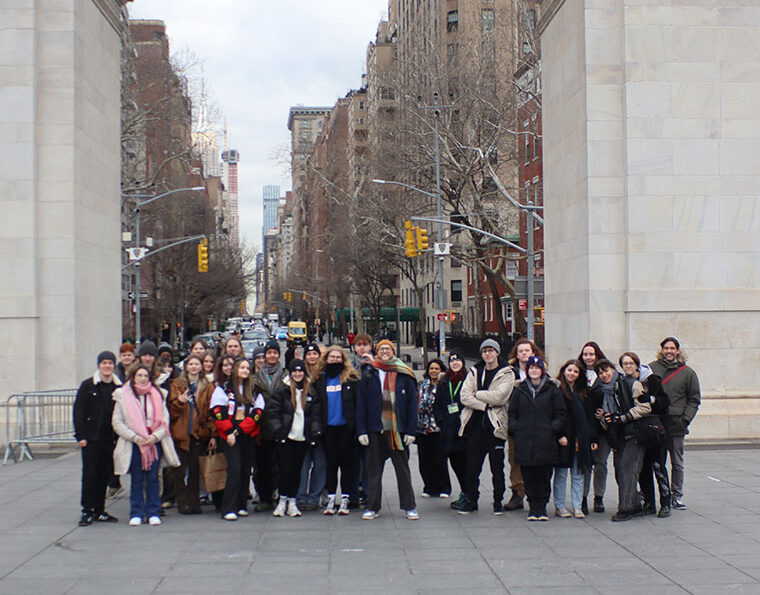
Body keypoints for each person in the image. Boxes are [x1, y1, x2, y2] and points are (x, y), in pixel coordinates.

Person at [357, 339, 419, 520]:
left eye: (388, 349)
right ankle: (372, 507)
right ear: (377, 352)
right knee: (374, 470)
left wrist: (410, 431)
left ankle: (409, 506)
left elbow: (411, 405)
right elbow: (362, 403)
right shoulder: (369, 373)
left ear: (393, 351)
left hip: (397, 431)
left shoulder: (404, 374)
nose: (385, 352)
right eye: (381, 349)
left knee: (403, 470)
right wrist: (362, 431)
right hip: (376, 429)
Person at [112, 364, 180, 526]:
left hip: (153, 442)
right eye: (139, 375)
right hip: (134, 442)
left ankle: (153, 511)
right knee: (136, 479)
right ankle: (136, 512)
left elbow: (165, 420)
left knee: (153, 478)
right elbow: (117, 421)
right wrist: (135, 437)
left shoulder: (158, 395)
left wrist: (155, 436)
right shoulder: (122, 396)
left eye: (145, 376)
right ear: (133, 377)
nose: (142, 378)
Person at [452, 339, 515, 515]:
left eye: (491, 350)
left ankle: (497, 502)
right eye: (485, 351)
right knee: (472, 467)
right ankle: (471, 500)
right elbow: (464, 396)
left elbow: (500, 397)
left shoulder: (507, 373)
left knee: (497, 467)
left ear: (497, 353)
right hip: (475, 425)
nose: (488, 354)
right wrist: (484, 405)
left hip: (495, 426)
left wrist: (477, 394)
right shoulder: (474, 371)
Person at [508, 356, 567, 521]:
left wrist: (552, 429)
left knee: (543, 476)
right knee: (529, 475)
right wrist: (515, 428)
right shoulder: (519, 390)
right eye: (531, 368)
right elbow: (512, 413)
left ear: (542, 370)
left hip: (545, 441)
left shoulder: (552, 390)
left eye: (537, 367)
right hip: (524, 440)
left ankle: (541, 507)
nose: (534, 371)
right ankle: (533, 507)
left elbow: (560, 414)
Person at [594, 358, 651, 521]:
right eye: (601, 372)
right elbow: (609, 418)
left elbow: (645, 407)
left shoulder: (630, 383)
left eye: (606, 370)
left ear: (613, 369)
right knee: (620, 470)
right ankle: (634, 504)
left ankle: (626, 508)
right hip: (617, 436)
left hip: (634, 433)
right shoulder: (603, 391)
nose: (604, 375)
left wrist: (624, 417)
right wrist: (605, 418)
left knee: (627, 469)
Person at [649, 337, 701, 510]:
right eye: (666, 348)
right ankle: (652, 495)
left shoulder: (688, 373)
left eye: (672, 348)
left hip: (676, 422)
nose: (669, 351)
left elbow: (694, 399)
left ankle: (677, 495)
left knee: (677, 462)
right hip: (657, 421)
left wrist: (685, 419)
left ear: (678, 351)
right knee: (655, 461)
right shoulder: (652, 368)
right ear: (661, 350)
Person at [210, 358, 265, 520]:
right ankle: (229, 508)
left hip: (246, 434)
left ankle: (242, 504)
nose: (245, 370)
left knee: (245, 470)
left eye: (247, 368)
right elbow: (216, 411)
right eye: (241, 367)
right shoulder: (223, 389)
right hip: (229, 436)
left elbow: (257, 413)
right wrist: (229, 432)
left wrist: (239, 431)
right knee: (234, 469)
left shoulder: (254, 390)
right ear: (235, 369)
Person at [620, 352, 672, 518]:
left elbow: (664, 402)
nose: (628, 366)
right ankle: (649, 503)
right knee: (643, 469)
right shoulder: (625, 382)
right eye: (625, 364)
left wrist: (650, 399)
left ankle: (666, 502)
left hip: (655, 429)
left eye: (630, 363)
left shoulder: (651, 379)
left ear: (637, 365)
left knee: (658, 466)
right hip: (640, 431)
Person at [73, 351, 122, 526]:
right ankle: (87, 510)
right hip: (91, 438)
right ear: (99, 365)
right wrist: (80, 435)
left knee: (104, 475)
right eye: (104, 363)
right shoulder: (88, 385)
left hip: (109, 439)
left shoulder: (119, 387)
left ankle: (100, 510)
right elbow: (78, 411)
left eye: (110, 363)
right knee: (90, 475)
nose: (107, 366)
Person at [270, 359, 322, 517]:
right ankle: (282, 501)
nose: (298, 374)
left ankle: (292, 501)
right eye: (295, 371)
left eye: (300, 371)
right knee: (285, 470)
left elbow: (315, 415)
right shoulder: (282, 390)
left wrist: (313, 433)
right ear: (290, 373)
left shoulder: (311, 391)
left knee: (297, 471)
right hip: (286, 437)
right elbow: (273, 412)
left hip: (302, 438)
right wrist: (278, 432)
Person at [311, 345, 359, 515]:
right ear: (326, 359)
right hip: (327, 430)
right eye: (332, 357)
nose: (335, 360)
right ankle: (331, 497)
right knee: (330, 466)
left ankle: (345, 498)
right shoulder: (319, 380)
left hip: (346, 429)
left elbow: (356, 405)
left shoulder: (351, 379)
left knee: (347, 466)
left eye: (338, 357)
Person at [167, 354, 216, 515]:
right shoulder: (176, 385)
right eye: (191, 364)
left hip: (198, 434)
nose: (194, 367)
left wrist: (211, 432)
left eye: (197, 364)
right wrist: (179, 402)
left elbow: (211, 411)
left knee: (195, 471)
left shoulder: (207, 386)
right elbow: (170, 411)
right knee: (179, 471)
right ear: (186, 366)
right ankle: (182, 503)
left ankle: (194, 502)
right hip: (180, 434)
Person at [504, 339, 547, 511]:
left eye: (527, 350)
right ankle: (517, 492)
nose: (523, 353)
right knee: (514, 458)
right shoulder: (509, 373)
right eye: (520, 351)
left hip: (537, 425)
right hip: (517, 423)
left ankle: (535, 494)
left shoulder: (541, 372)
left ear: (533, 353)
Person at [552, 360, 597, 518]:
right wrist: (559, 434)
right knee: (561, 473)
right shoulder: (557, 390)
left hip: (580, 437)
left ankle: (577, 506)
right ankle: (560, 506)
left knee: (578, 473)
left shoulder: (584, 392)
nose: (572, 374)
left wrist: (592, 439)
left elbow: (590, 417)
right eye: (569, 370)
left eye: (576, 372)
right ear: (564, 371)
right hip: (564, 437)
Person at [253, 339, 287, 511]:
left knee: (281, 465)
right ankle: (264, 498)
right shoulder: (255, 378)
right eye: (269, 353)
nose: (272, 355)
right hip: (262, 428)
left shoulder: (286, 375)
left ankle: (282, 496)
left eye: (274, 352)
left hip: (281, 426)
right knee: (263, 465)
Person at [578, 340, 610, 513]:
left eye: (591, 354)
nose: (588, 357)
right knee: (585, 463)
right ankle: (582, 497)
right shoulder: (577, 372)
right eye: (585, 354)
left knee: (601, 462)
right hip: (584, 427)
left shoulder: (606, 373)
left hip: (602, 427)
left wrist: (605, 412)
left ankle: (599, 497)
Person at [433, 351, 467, 501]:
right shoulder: (444, 381)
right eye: (452, 361)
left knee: (466, 464)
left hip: (463, 429)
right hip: (448, 430)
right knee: (455, 463)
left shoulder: (468, 379)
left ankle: (468, 493)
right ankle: (464, 491)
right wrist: (442, 421)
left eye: (458, 361)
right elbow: (437, 405)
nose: (455, 364)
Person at [416, 358, 451, 498]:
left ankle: (444, 487)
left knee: (439, 460)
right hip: (422, 428)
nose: (434, 371)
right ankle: (429, 487)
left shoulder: (444, 385)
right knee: (424, 460)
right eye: (431, 368)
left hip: (438, 428)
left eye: (437, 369)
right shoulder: (422, 385)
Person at [348, 332, 373, 507]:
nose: (362, 348)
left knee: (370, 458)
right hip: (353, 416)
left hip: (370, 418)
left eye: (365, 344)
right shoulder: (348, 367)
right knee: (354, 457)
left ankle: (368, 489)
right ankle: (354, 489)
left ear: (370, 346)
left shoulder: (376, 366)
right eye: (359, 345)